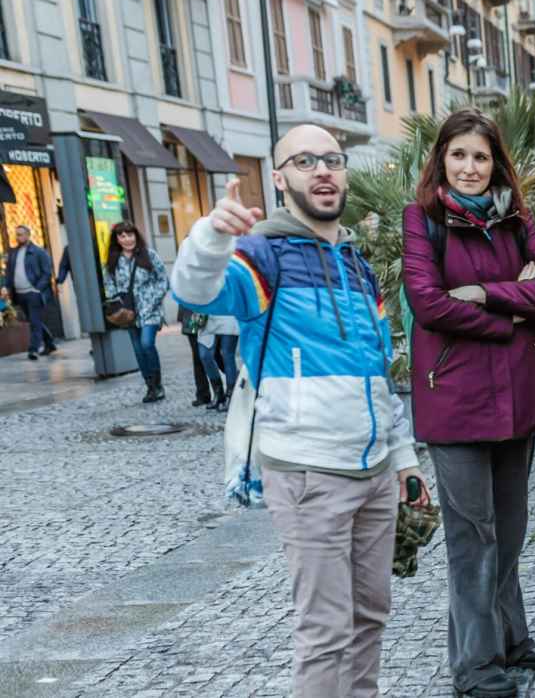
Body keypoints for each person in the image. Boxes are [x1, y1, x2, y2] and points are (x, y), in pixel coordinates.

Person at [171, 124, 429, 698]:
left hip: (375, 473)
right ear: (281, 177)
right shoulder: (263, 254)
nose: (323, 171)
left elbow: (378, 373)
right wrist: (213, 236)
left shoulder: (357, 266)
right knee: (326, 631)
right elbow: (195, 292)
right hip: (309, 472)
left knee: (371, 618)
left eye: (332, 159)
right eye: (305, 160)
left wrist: (404, 458)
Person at [402, 109, 535, 698]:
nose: (470, 168)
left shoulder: (517, 219)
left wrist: (484, 293)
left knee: (512, 528)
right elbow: (428, 303)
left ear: (496, 162)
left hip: (516, 398)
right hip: (456, 401)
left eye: (481, 156)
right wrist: (510, 314)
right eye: (459, 156)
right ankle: (475, 665)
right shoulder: (423, 220)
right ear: (441, 160)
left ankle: (511, 638)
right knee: (473, 535)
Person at [104, 222, 168, 402]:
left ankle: (158, 384)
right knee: (138, 350)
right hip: (128, 312)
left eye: (130, 235)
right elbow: (108, 282)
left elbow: (163, 280)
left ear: (136, 235)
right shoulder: (114, 259)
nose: (127, 239)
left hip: (150, 310)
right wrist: (115, 301)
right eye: (122, 236)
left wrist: (153, 299)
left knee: (147, 344)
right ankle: (150, 387)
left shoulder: (149, 255)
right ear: (117, 239)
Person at [5, 225, 57, 360]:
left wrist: (37, 289)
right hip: (19, 294)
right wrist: (7, 287)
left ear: (28, 235)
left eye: (21, 234)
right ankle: (49, 343)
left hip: (33, 293)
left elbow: (47, 273)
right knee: (34, 320)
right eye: (17, 234)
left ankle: (33, 349)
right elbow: (9, 272)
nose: (18, 237)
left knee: (34, 321)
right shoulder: (13, 253)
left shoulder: (39, 252)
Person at [196, 314, 241, 410]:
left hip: (227, 315)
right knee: (205, 355)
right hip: (207, 315)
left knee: (227, 355)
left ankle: (230, 396)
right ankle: (218, 393)